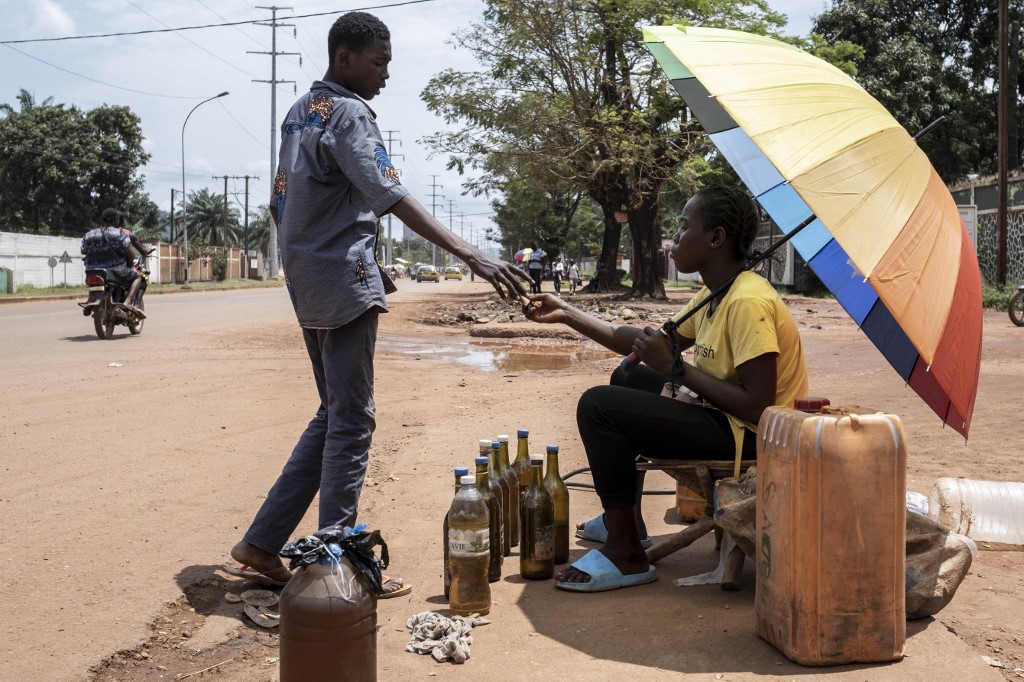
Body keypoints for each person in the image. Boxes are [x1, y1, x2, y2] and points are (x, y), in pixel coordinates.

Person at [227, 11, 530, 593]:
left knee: (335, 412)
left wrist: (305, 252)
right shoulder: (350, 113)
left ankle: (262, 543)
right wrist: (472, 253)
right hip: (343, 280)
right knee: (354, 421)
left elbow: (277, 203)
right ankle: (333, 560)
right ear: (345, 58)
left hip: (306, 279)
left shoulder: (298, 113)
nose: (386, 75)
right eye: (379, 62)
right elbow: (389, 193)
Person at [523, 184, 808, 592]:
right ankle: (629, 523)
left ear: (716, 238)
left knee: (598, 407)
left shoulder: (747, 302)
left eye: (684, 226)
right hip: (725, 420)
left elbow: (759, 408)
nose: (674, 238)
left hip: (755, 438)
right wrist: (567, 313)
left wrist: (677, 371)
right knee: (628, 376)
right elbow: (644, 344)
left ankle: (626, 555)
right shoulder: (715, 293)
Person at [81, 208, 145, 317]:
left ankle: (91, 301)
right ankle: (127, 302)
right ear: (116, 219)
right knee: (138, 277)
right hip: (116, 270)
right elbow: (130, 255)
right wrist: (129, 263)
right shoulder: (119, 234)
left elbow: (83, 250)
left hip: (92, 270)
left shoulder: (89, 235)